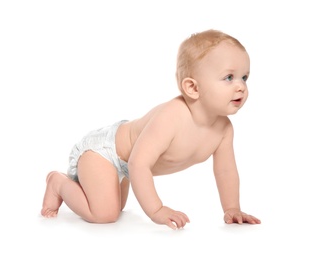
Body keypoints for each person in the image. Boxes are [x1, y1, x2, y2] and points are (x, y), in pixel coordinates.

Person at [41, 29, 261, 230]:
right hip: (105, 153)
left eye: (245, 77)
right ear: (192, 87)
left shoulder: (224, 129)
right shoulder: (172, 116)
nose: (241, 86)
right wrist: (156, 209)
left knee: (117, 208)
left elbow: (225, 171)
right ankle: (58, 183)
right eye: (229, 77)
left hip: (128, 165)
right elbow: (139, 163)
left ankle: (95, 186)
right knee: (105, 214)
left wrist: (232, 208)